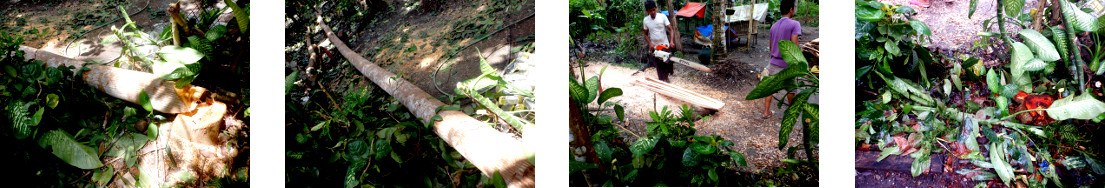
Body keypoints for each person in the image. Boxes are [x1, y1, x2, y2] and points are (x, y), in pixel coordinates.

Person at [763, 0, 801, 119]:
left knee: (770, 88)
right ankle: (790, 114)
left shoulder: (774, 26)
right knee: (791, 89)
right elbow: (794, 45)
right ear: (791, 9)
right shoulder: (794, 24)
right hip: (787, 64)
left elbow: (770, 46)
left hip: (774, 63)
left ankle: (766, 112)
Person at [642, 0, 676, 82]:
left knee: (667, 63)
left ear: (656, 8)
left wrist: (671, 41)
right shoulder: (646, 20)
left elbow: (671, 29)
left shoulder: (662, 16)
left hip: (665, 44)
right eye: (650, 11)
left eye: (654, 10)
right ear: (647, 11)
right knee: (659, 65)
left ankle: (666, 78)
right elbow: (645, 34)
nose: (653, 12)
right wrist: (650, 44)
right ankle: (662, 80)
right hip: (655, 47)